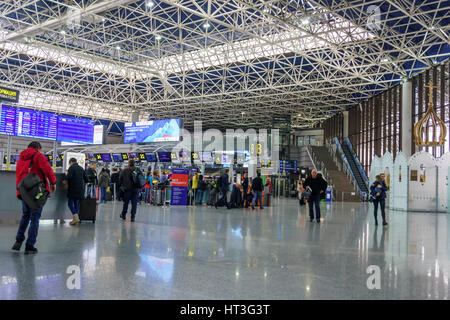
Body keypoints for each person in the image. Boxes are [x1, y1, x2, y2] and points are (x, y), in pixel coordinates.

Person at [12, 141, 56, 254]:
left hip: (23, 192)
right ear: (38, 148)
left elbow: (19, 174)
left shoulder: (21, 158)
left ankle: (18, 240)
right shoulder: (38, 156)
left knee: (25, 215)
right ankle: (30, 245)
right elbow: (48, 170)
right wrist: (53, 182)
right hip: (36, 193)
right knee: (35, 218)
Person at [66, 158, 88, 226]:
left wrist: (67, 173)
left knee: (70, 204)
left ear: (71, 162)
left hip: (73, 189)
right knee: (76, 204)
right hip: (80, 189)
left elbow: (68, 177)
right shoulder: (81, 168)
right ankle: (75, 219)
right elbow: (86, 179)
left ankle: (75, 217)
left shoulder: (71, 168)